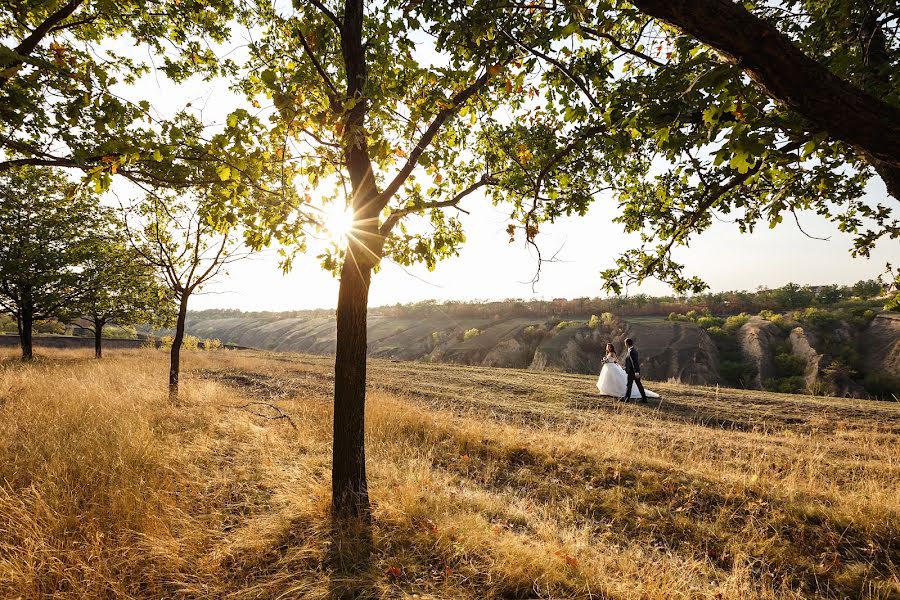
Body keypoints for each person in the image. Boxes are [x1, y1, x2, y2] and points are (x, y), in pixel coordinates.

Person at [621, 337, 648, 403]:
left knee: (629, 385)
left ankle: (626, 399)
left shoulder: (631, 351)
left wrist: (636, 372)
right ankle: (644, 398)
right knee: (639, 385)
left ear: (627, 344)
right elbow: (631, 362)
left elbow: (634, 362)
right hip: (633, 371)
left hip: (632, 372)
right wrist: (626, 368)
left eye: (625, 343)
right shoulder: (633, 350)